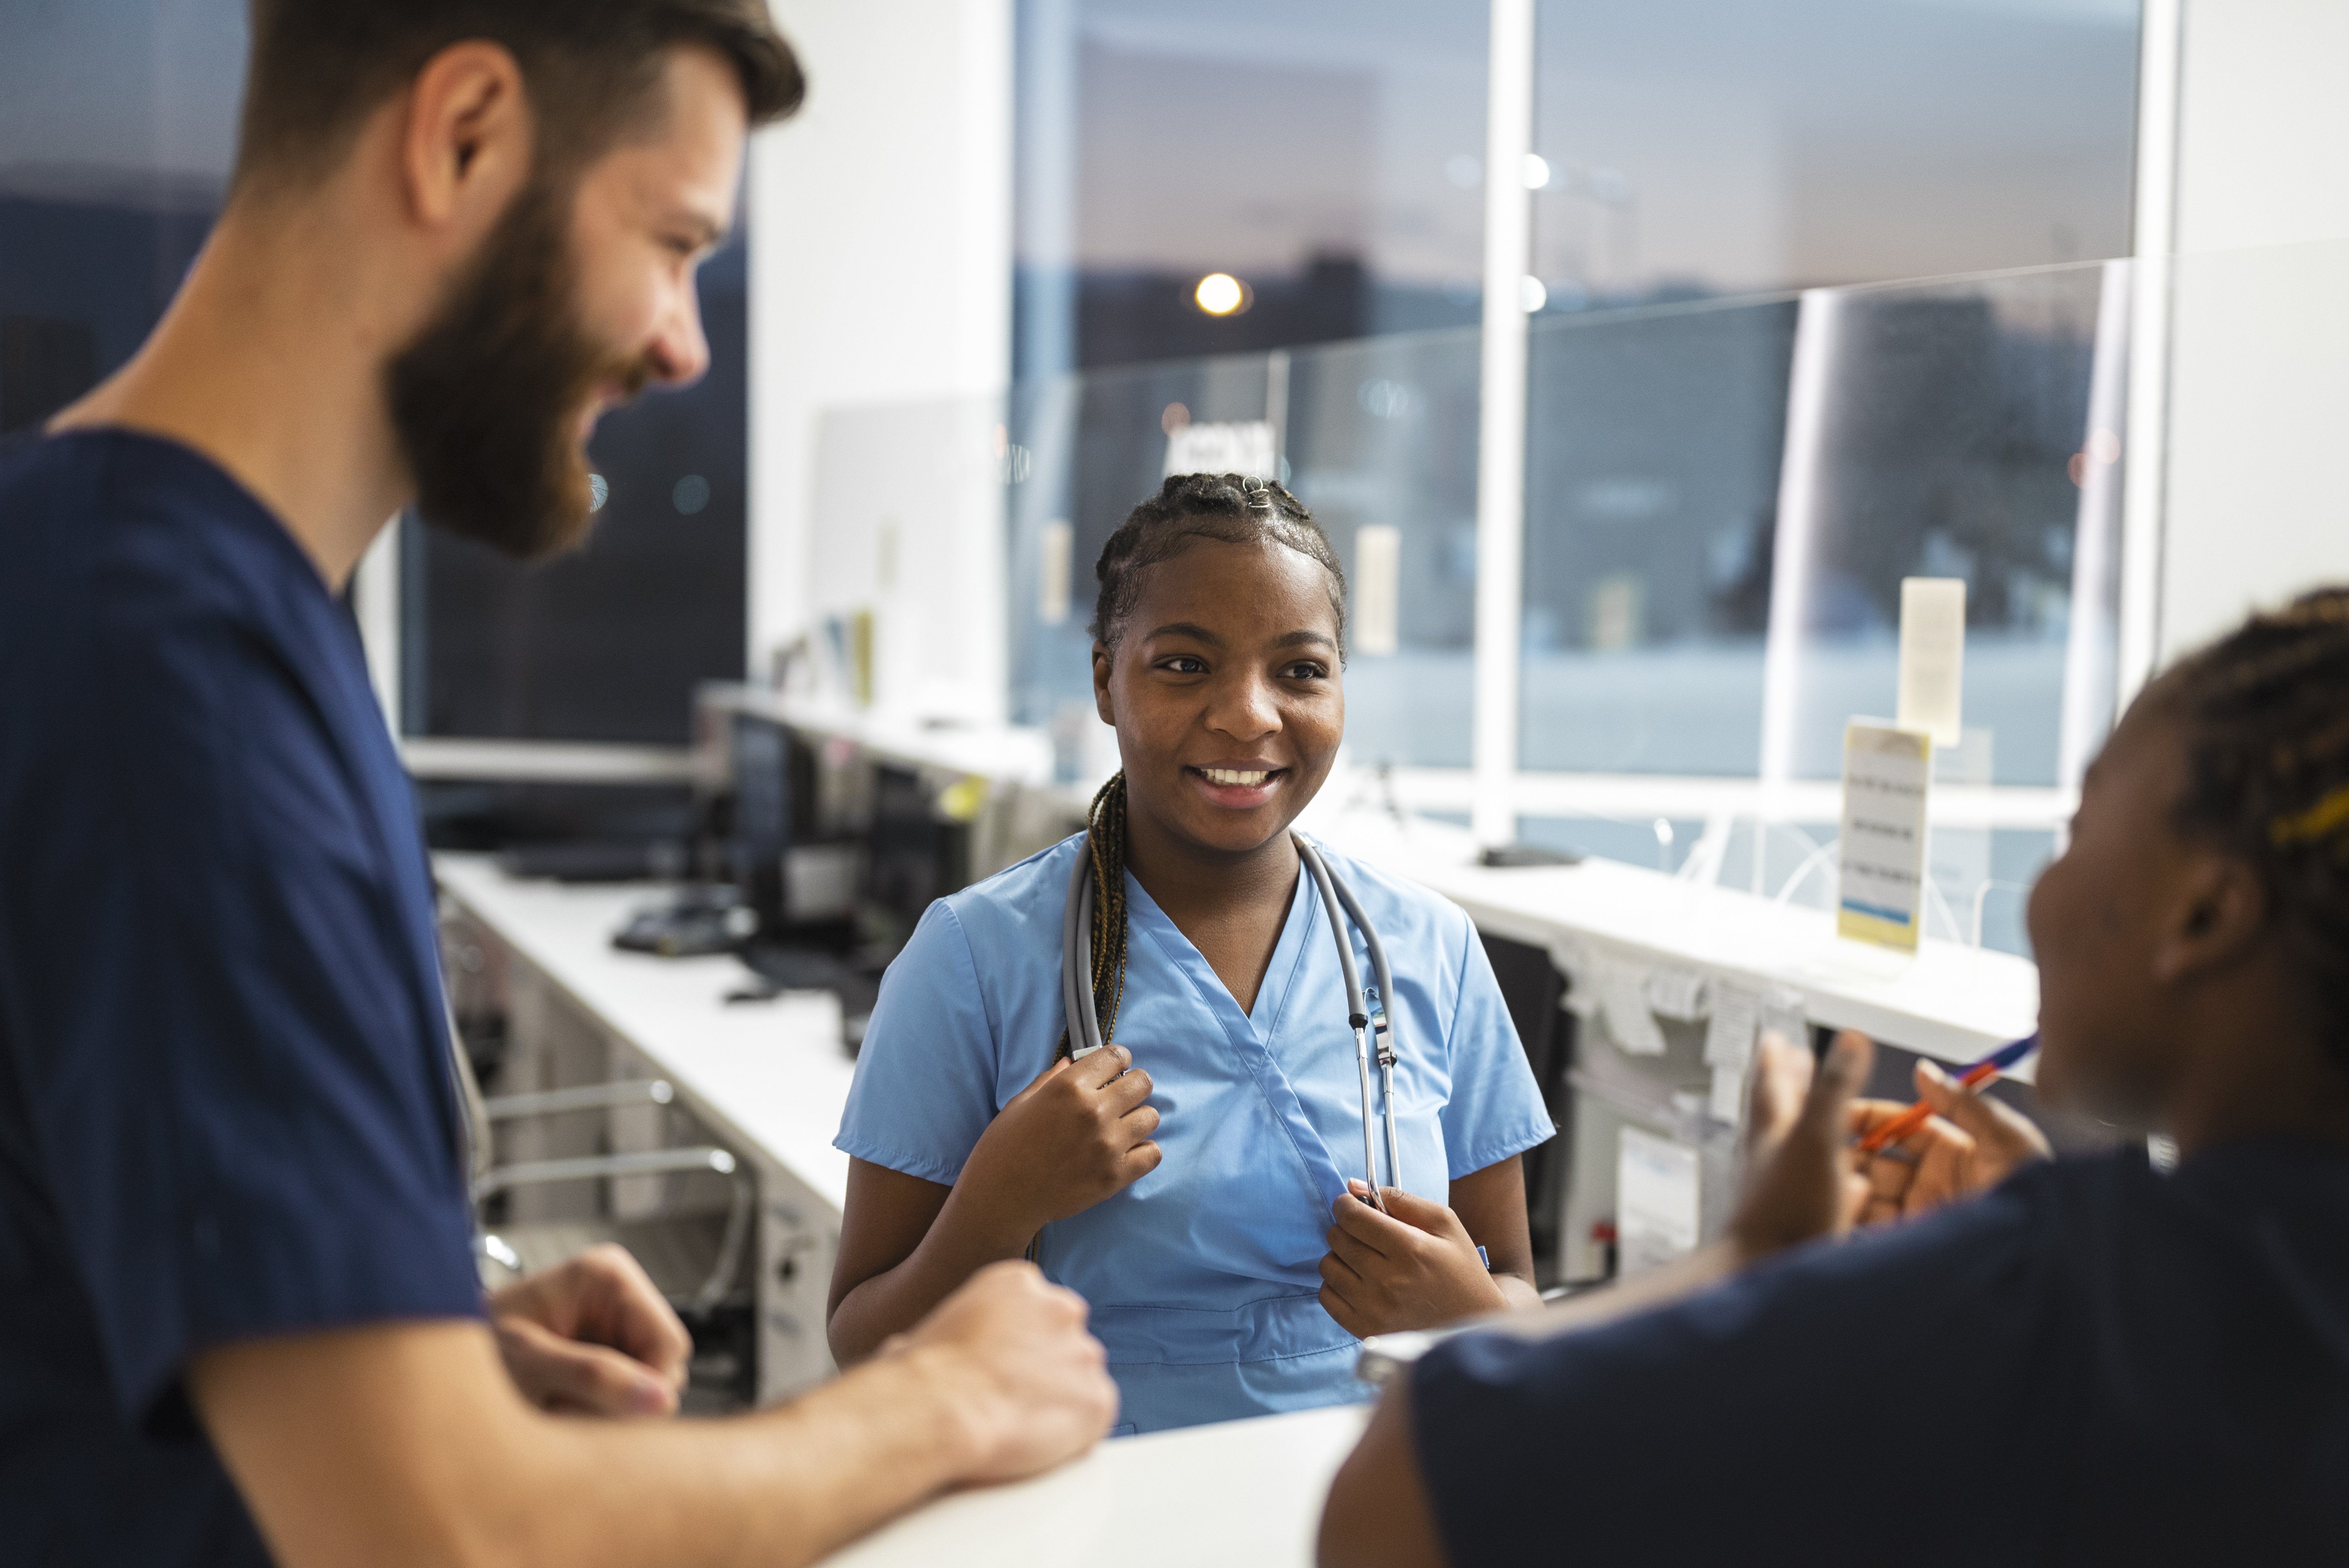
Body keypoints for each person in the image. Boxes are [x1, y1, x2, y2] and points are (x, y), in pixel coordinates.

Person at [0, 5, 1114, 1566]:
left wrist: (413, 1338)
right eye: (673, 241)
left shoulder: (153, 583)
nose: (684, 343)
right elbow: (439, 1530)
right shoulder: (168, 670)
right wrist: (937, 1400)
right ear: (463, 133)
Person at [1318, 590, 2349, 1567]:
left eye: (2077, 833)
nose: (2041, 893)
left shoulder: (2062, 1300)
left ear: (2206, 918)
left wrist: (1754, 1257)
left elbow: (1393, 1505)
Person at [826, 475, 1557, 1433]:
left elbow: (1516, 1293)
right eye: (1183, 665)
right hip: (1091, 1500)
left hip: (1364, 1494)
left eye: (1299, 670)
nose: (1247, 716)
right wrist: (994, 1208)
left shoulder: (1430, 948)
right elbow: (861, 1341)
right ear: (1104, 680)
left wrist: (1465, 1318)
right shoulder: (972, 956)